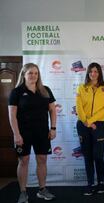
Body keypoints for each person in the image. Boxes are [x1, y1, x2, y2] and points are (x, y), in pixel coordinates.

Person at [8, 63, 57, 203]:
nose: (33, 75)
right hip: (23, 133)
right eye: (30, 73)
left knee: (42, 160)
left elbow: (53, 110)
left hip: (42, 133)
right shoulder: (16, 92)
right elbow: (12, 115)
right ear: (24, 74)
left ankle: (42, 190)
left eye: (36, 73)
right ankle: (23, 192)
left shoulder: (45, 90)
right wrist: (16, 134)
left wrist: (53, 128)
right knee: (24, 161)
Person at [76, 62, 104, 195]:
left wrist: (90, 121)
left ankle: (101, 183)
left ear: (99, 73)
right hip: (83, 125)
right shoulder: (81, 87)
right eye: (91, 71)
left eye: (96, 71)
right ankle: (90, 183)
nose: (93, 74)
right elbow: (78, 107)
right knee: (88, 156)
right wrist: (86, 122)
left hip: (99, 125)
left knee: (98, 155)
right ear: (88, 73)